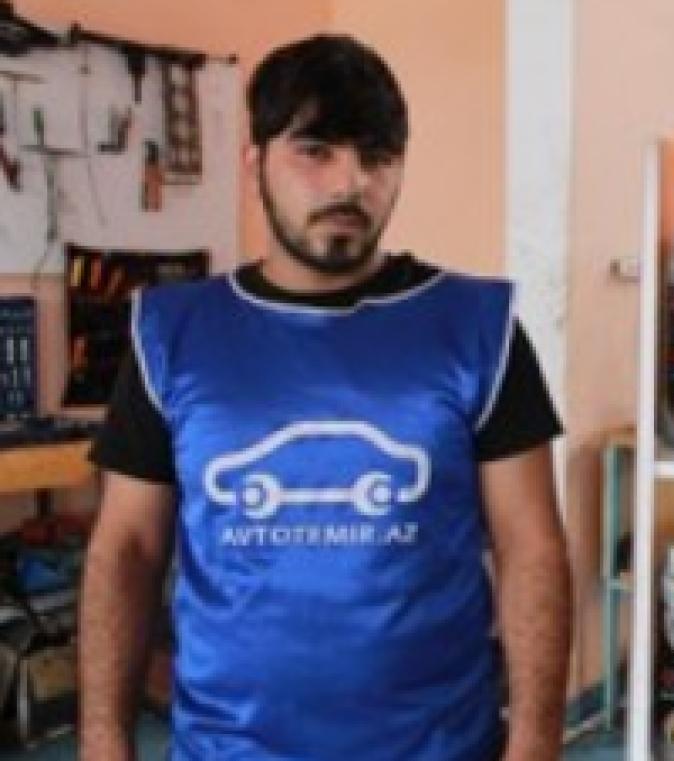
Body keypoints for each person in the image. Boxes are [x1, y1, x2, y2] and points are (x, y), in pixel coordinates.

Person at [79, 34, 571, 761]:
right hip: (228, 749)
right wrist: (101, 740)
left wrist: (535, 744)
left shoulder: (479, 330)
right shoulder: (171, 334)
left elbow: (531, 547)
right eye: (316, 151)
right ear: (256, 164)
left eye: (376, 156)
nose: (350, 183)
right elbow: (127, 547)